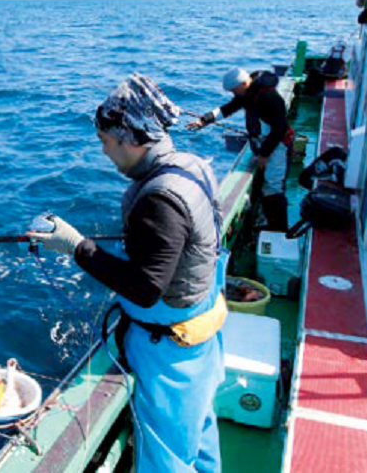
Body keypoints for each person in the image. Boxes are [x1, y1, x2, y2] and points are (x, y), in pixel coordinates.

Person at [28, 73, 228, 473]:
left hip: (169, 351)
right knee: (199, 431)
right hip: (203, 333)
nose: (104, 152)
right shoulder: (192, 165)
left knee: (167, 456)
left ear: (129, 138)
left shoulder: (159, 199)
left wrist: (76, 247)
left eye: (105, 142)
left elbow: (145, 288)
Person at [187, 67, 293, 232]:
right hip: (262, 144)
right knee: (264, 183)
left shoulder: (270, 98)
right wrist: (204, 120)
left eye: (234, 90)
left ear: (244, 83)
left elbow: (279, 129)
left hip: (277, 146)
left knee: (274, 186)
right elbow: (228, 108)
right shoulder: (247, 93)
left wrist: (265, 154)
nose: (233, 94)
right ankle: (265, 218)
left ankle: (278, 228)